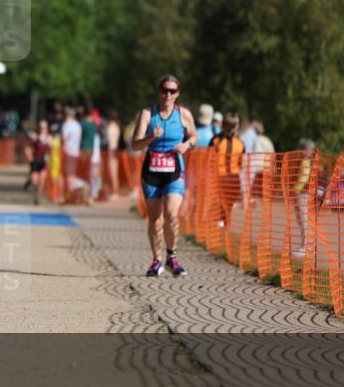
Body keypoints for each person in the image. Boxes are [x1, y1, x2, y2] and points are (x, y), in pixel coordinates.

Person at [131, 74, 198, 277]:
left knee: (171, 214)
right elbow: (135, 145)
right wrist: (152, 137)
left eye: (172, 91)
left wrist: (186, 145)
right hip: (151, 171)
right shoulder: (147, 114)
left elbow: (194, 135)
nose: (168, 94)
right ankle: (156, 261)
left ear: (178, 93)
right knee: (154, 219)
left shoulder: (184, 114)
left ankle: (172, 258)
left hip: (175, 170)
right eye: (165, 90)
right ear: (159, 91)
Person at [209, 113, 245, 229]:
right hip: (234, 178)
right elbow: (241, 163)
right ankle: (225, 225)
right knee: (228, 205)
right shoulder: (240, 144)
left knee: (220, 204)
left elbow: (209, 159)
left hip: (220, 177)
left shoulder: (215, 141)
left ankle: (222, 225)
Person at [291, 138, 316, 259]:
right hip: (307, 193)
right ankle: (306, 245)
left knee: (303, 220)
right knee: (304, 219)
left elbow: (303, 178)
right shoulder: (311, 160)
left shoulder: (305, 161)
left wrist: (295, 189)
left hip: (303, 193)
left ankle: (305, 247)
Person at [26, 120, 52, 204]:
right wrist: (29, 156)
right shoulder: (34, 137)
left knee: (42, 181)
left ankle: (37, 198)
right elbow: (27, 147)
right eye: (41, 127)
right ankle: (30, 183)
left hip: (44, 161)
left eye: (44, 127)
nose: (42, 129)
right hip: (35, 161)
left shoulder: (49, 138)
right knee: (35, 181)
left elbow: (51, 150)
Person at [61, 108, 83, 202]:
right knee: (72, 173)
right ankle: (73, 194)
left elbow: (64, 138)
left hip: (69, 151)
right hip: (76, 151)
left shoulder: (67, 124)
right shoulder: (78, 125)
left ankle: (69, 195)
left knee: (68, 174)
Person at [105, 110, 122, 196]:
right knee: (112, 173)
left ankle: (115, 192)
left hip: (112, 150)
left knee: (113, 173)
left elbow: (110, 141)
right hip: (113, 150)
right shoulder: (116, 126)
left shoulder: (111, 127)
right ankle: (113, 191)